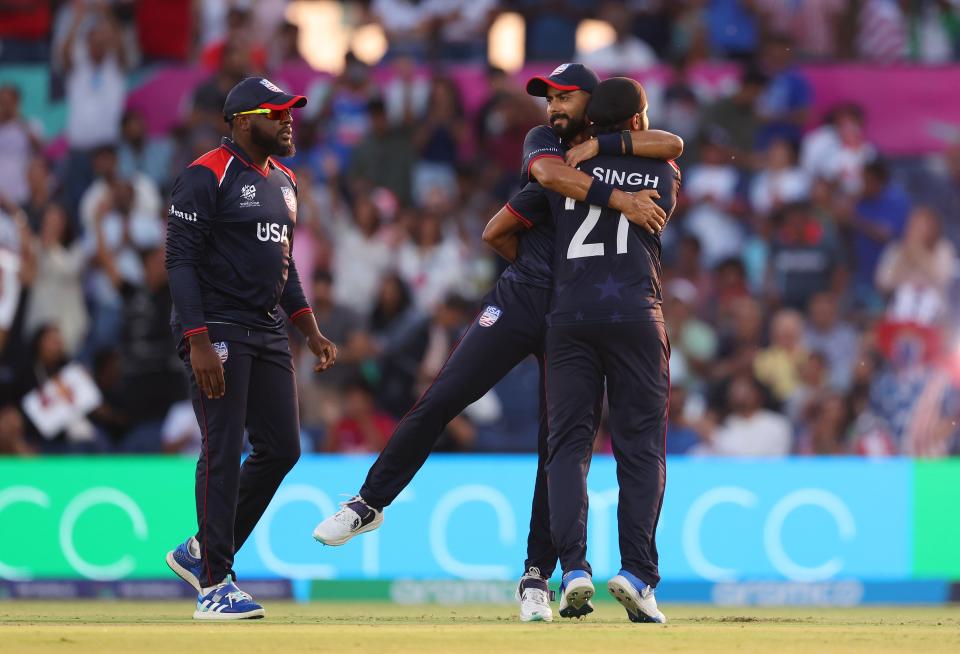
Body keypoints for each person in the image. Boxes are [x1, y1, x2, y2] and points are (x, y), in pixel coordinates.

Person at [312, 63, 682, 624]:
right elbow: (527, 200)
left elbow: (670, 141)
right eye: (547, 98)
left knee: (558, 446)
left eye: (564, 97)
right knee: (444, 397)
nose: (552, 107)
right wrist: (611, 207)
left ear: (594, 100)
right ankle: (368, 502)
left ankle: (537, 575)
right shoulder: (546, 143)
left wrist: (607, 157)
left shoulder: (617, 148)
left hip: (572, 313)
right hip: (527, 299)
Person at [502, 77, 678, 624]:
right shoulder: (662, 170)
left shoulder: (567, 172)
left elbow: (501, 227)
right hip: (635, 314)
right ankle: (637, 574)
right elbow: (672, 145)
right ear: (635, 121)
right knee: (641, 449)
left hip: (570, 318)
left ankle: (573, 569)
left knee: (568, 449)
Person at [163, 77, 338, 620]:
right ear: (242, 121)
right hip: (215, 326)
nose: (289, 122)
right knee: (222, 447)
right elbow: (180, 263)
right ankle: (216, 583)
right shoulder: (204, 175)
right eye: (277, 113)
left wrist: (308, 328)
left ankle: (200, 552)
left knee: (282, 448)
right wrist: (196, 341)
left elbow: (281, 270)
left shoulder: (285, 180)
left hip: (265, 330)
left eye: (290, 113)